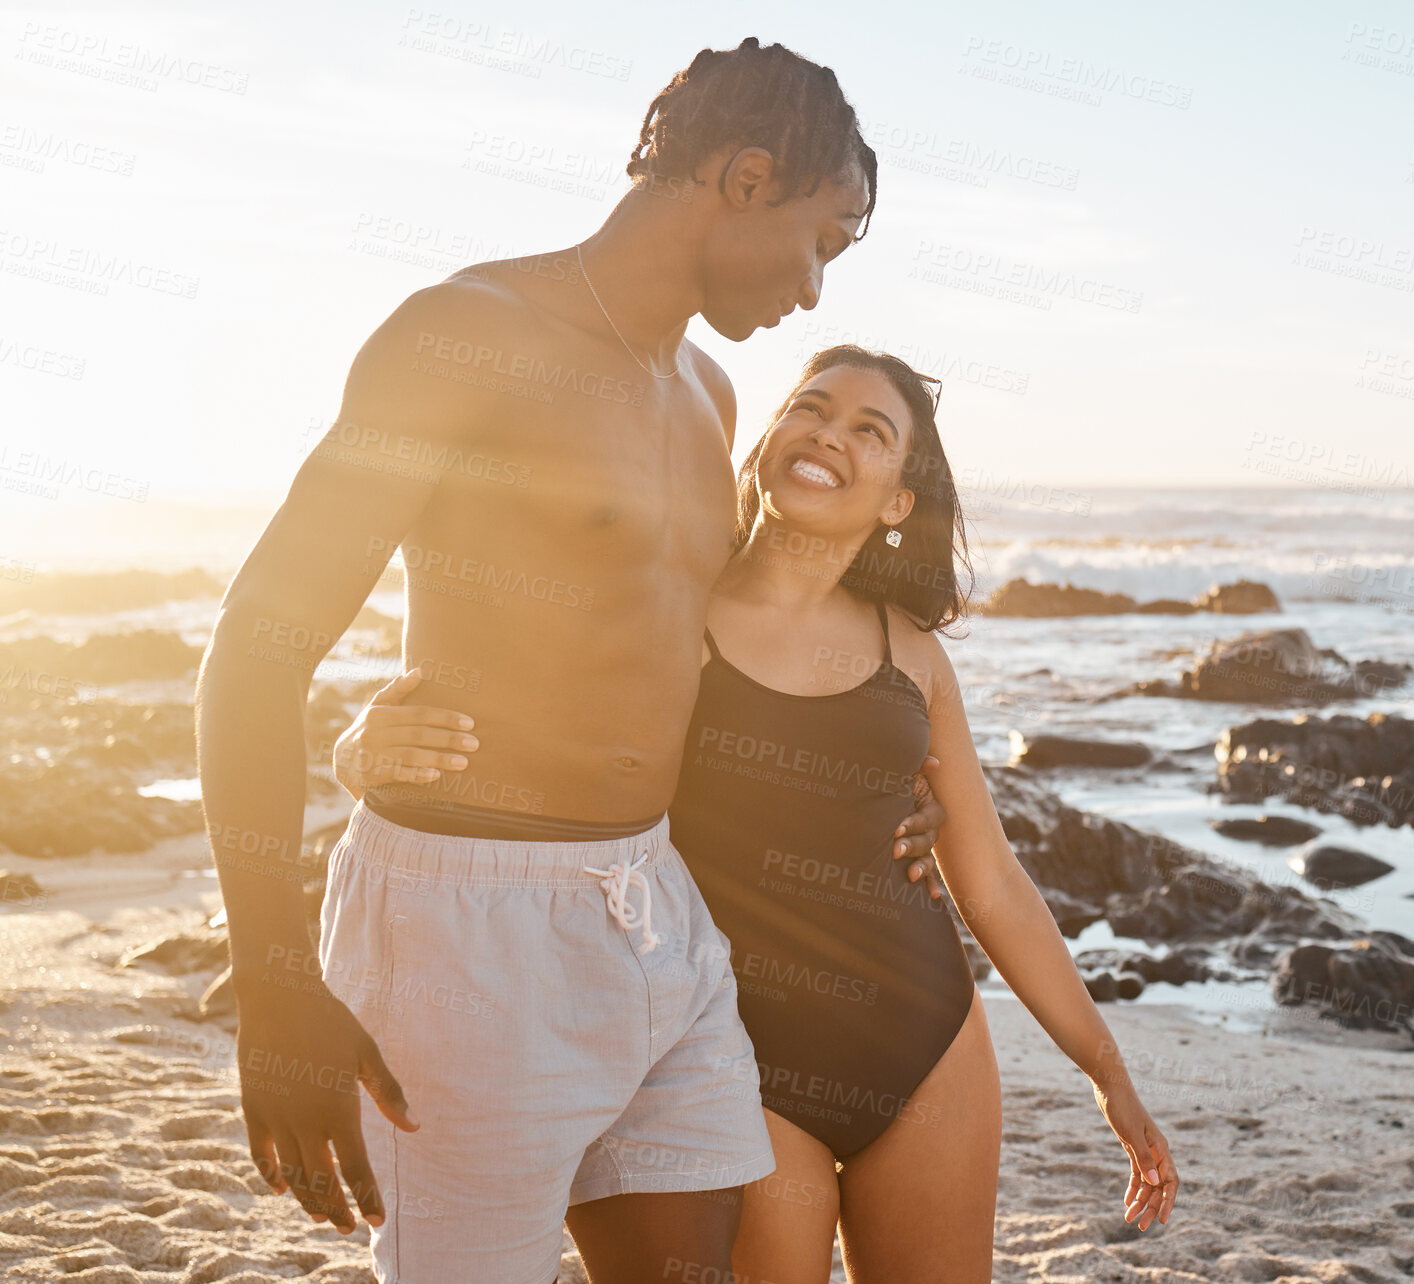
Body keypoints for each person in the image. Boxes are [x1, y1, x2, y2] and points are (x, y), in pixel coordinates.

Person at [195, 40, 948, 1284]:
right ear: (748, 178)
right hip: (459, 920)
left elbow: (700, 645)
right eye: (823, 240)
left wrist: (881, 779)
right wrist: (272, 984)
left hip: (652, 907)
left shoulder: (708, 395)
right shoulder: (462, 338)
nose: (815, 292)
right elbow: (253, 649)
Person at [338, 346, 1181, 1281]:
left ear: (900, 499)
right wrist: (358, 751)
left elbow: (992, 882)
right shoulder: (668, 614)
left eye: (871, 431)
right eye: (810, 410)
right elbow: (514, 742)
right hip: (735, 1058)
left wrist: (1106, 1072)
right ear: (768, 441)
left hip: (928, 1039)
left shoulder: (914, 656)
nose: (829, 433)